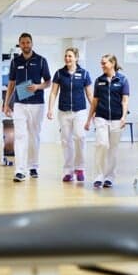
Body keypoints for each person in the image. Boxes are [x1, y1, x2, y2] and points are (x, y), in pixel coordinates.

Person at [3, 33, 51, 182]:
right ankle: (20, 170)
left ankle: (33, 166)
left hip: (37, 103)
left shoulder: (41, 61)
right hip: (19, 104)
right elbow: (11, 84)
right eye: (23, 43)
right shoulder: (15, 61)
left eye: (28, 42)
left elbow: (48, 82)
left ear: (32, 43)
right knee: (20, 136)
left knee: (34, 136)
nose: (25, 45)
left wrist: (37, 86)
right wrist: (6, 104)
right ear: (20, 45)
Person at [47, 47, 93, 183]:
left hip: (80, 111)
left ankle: (80, 168)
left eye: (70, 56)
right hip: (64, 112)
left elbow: (90, 94)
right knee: (66, 141)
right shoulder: (59, 73)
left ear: (76, 58)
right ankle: (68, 171)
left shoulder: (84, 74)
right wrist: (50, 109)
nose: (67, 58)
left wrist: (95, 110)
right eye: (66, 56)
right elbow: (53, 92)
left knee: (80, 137)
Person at [84, 54, 129, 188]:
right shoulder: (99, 81)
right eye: (101, 63)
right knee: (102, 144)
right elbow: (95, 101)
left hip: (116, 119)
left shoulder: (123, 80)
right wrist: (88, 120)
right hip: (101, 117)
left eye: (104, 63)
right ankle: (99, 176)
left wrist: (123, 117)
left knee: (113, 149)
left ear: (112, 63)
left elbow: (125, 101)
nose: (102, 66)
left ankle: (109, 177)